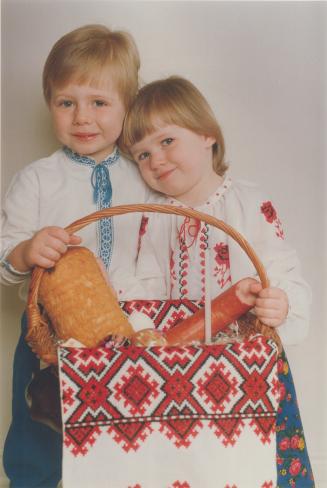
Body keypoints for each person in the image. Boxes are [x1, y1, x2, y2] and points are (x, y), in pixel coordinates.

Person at [0, 24, 154, 488]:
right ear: (50, 103)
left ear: (128, 106)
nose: (82, 117)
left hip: (132, 325)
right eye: (66, 103)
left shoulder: (145, 175)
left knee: (131, 432)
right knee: (39, 428)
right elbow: (7, 264)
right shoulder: (37, 179)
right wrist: (28, 251)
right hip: (49, 329)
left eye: (100, 103)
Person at [119, 75, 311, 345]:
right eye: (143, 155)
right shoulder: (154, 218)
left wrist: (281, 303)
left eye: (166, 141)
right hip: (177, 362)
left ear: (206, 134)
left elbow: (281, 270)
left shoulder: (248, 203)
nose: (156, 161)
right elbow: (147, 288)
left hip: (244, 359)